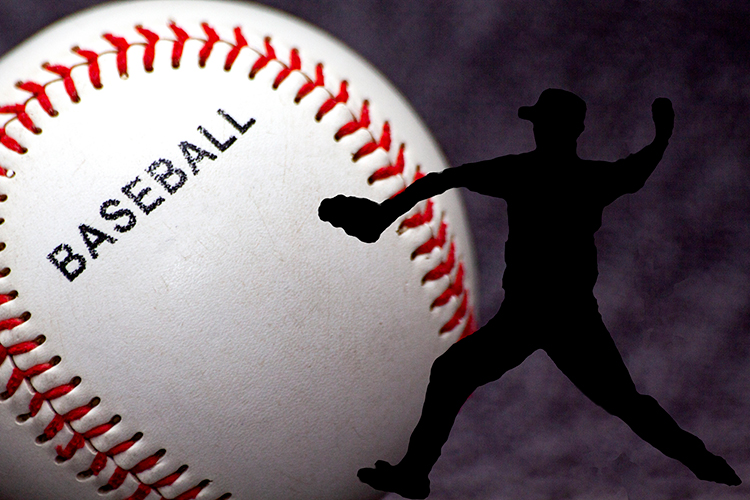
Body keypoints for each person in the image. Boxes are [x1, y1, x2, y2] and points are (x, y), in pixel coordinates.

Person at [318, 89, 741, 499]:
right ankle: (414, 472)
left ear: (564, 129)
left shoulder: (538, 173)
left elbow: (445, 179)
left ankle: (701, 460)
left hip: (562, 316)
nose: (539, 129)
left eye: (545, 122)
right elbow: (635, 170)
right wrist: (661, 137)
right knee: (457, 373)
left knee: (622, 401)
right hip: (534, 315)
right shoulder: (568, 176)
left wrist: (384, 214)